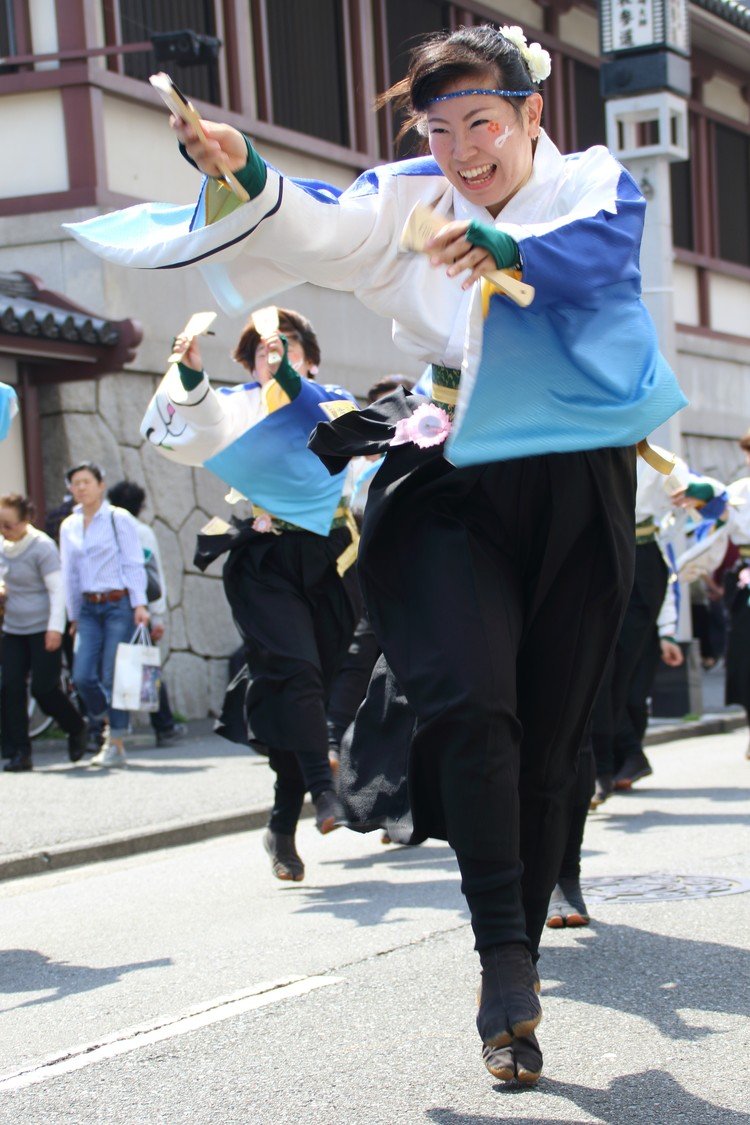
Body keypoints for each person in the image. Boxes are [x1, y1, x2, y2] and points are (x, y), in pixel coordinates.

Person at [67, 23, 687, 1085]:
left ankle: (523, 945)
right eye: (438, 129)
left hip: (573, 473)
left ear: (532, 115)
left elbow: (592, 254)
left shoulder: (592, 181)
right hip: (449, 474)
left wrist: (503, 251)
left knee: (549, 745)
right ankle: (500, 959)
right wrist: (241, 166)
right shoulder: (410, 193)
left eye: (481, 123)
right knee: (467, 702)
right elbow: (321, 231)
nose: (460, 150)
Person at [173, 308, 360, 883]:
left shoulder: (333, 398)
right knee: (297, 673)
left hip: (327, 558)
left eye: (282, 349)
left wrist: (291, 383)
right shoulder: (240, 405)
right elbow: (200, 421)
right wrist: (189, 374)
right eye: (259, 353)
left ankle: (282, 823)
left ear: (309, 356)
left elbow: (345, 440)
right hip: (265, 562)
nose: (270, 359)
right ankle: (325, 793)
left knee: (305, 691)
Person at [59, 462, 149, 768]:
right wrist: (72, 615)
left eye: (86, 481)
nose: (81, 487)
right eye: (75, 483)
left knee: (113, 674)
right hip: (86, 608)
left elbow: (133, 562)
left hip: (118, 605)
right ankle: (109, 721)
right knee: (82, 676)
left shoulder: (117, 518)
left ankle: (117, 741)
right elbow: (69, 574)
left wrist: (140, 604)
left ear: (100, 484)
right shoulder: (68, 525)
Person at [0, 493, 88, 771]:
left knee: (43, 688)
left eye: (8, 524)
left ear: (25, 520)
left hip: (43, 627)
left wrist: (54, 629)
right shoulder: (1, 546)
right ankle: (20, 752)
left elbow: (57, 590)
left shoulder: (42, 547)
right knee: (9, 687)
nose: (4, 530)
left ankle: (76, 727)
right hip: (13, 628)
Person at [106, 480, 187, 748]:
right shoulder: (141, 531)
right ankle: (163, 727)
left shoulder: (102, 529)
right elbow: (153, 575)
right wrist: (158, 614)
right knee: (146, 668)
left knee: (110, 668)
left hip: (108, 607)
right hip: (138, 609)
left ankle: (105, 730)